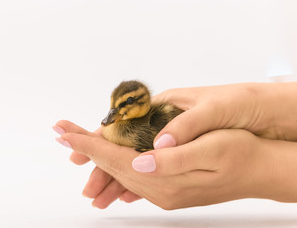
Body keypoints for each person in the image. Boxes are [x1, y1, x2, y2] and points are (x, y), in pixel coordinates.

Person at [53, 82, 297, 210]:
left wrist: (263, 168)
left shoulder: (150, 125)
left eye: (124, 105)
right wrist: (265, 104)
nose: (110, 117)